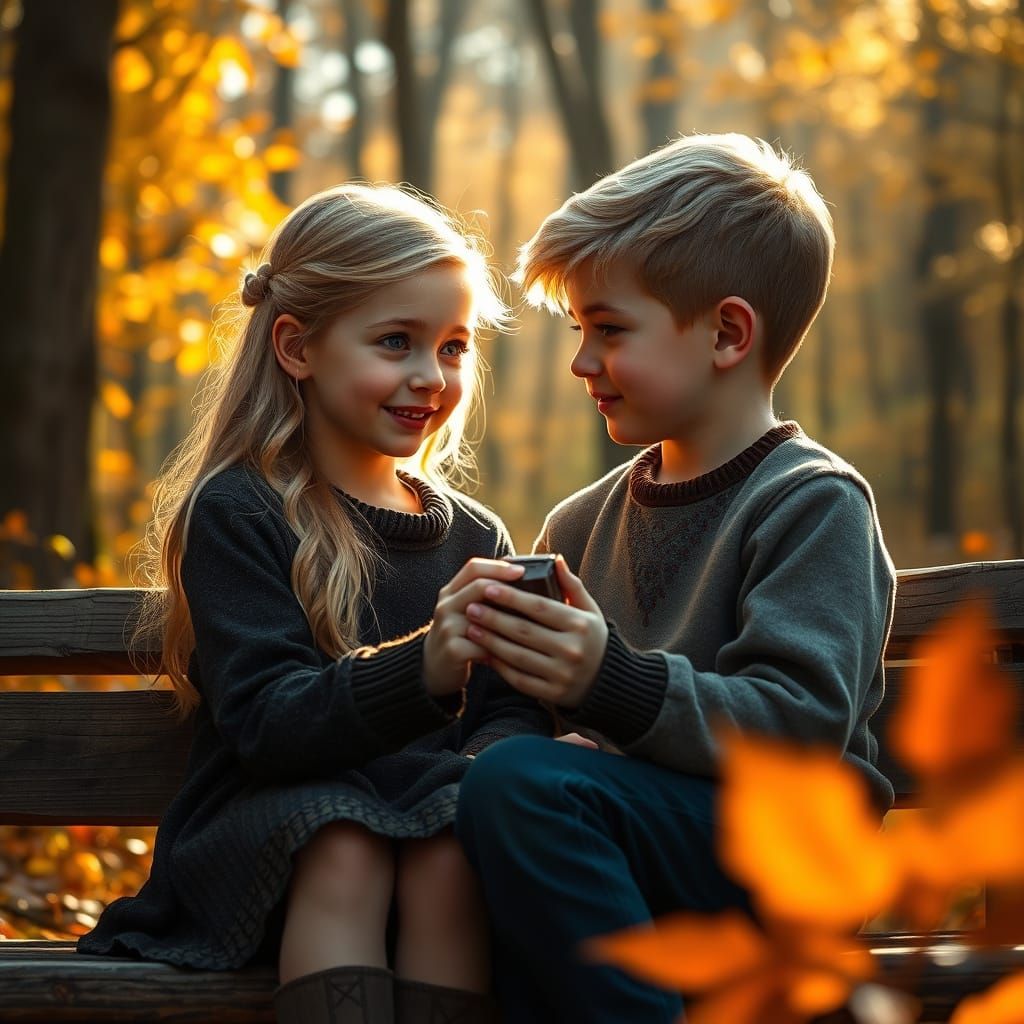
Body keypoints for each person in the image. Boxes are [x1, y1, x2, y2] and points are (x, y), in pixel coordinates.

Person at [77, 183, 551, 1024]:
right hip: (269, 828)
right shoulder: (241, 512)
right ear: (298, 347)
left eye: (452, 347)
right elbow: (267, 723)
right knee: (347, 841)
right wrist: (425, 667)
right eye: (396, 342)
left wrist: (485, 771)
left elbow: (510, 714)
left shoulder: (476, 532)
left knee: (449, 845)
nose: (428, 376)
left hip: (425, 826)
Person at [451, 133, 897, 1023]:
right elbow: (509, 712)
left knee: (524, 798)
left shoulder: (812, 504)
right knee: (501, 799)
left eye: (609, 330)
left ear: (728, 332)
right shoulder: (579, 524)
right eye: (580, 330)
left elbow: (800, 725)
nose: (582, 362)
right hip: (618, 845)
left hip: (782, 863)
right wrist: (514, 736)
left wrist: (608, 689)